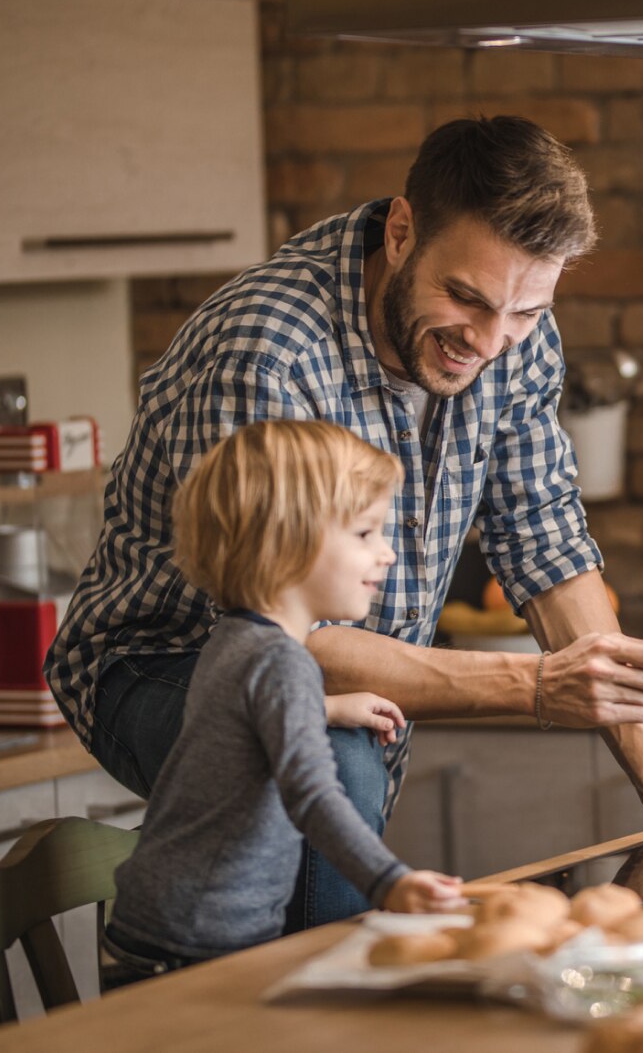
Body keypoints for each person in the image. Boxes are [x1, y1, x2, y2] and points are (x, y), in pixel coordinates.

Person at [46, 116, 643, 932]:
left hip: (342, 676)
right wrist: (533, 687)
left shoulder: (512, 333)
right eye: (464, 297)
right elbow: (282, 636)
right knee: (328, 756)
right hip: (160, 662)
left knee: (337, 781)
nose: (491, 341)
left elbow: (545, 541)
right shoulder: (269, 351)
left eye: (527, 312)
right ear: (401, 232)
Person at [104, 421, 462, 986]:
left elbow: (232, 724)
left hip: (162, 924)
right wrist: (388, 882)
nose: (388, 554)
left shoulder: (235, 638)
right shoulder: (283, 662)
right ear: (287, 539)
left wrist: (328, 708)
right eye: (365, 533)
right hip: (198, 943)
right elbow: (314, 793)